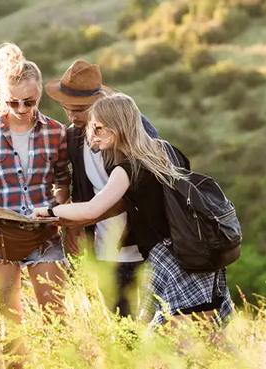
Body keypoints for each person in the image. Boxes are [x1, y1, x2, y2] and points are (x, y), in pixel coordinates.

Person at [32, 93, 233, 327]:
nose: (92, 135)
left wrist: (50, 212)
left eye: (97, 128)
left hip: (171, 260)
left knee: (175, 343)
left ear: (117, 127)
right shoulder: (163, 151)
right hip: (194, 252)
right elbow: (115, 209)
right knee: (209, 335)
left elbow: (91, 209)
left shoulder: (127, 168)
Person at [45, 59, 158, 317]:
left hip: (144, 245)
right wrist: (77, 226)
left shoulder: (134, 127)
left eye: (80, 109)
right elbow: (79, 185)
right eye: (67, 108)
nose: (72, 116)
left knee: (154, 328)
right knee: (118, 326)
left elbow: (146, 186)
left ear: (99, 102)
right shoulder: (72, 135)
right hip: (103, 248)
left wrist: (82, 215)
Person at [0, 43, 71, 326]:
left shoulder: (55, 131)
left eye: (30, 101)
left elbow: (62, 180)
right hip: (0, 235)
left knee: (57, 321)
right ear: (2, 98)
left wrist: (59, 208)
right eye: (13, 102)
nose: (22, 108)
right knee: (10, 326)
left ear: (39, 96)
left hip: (44, 234)